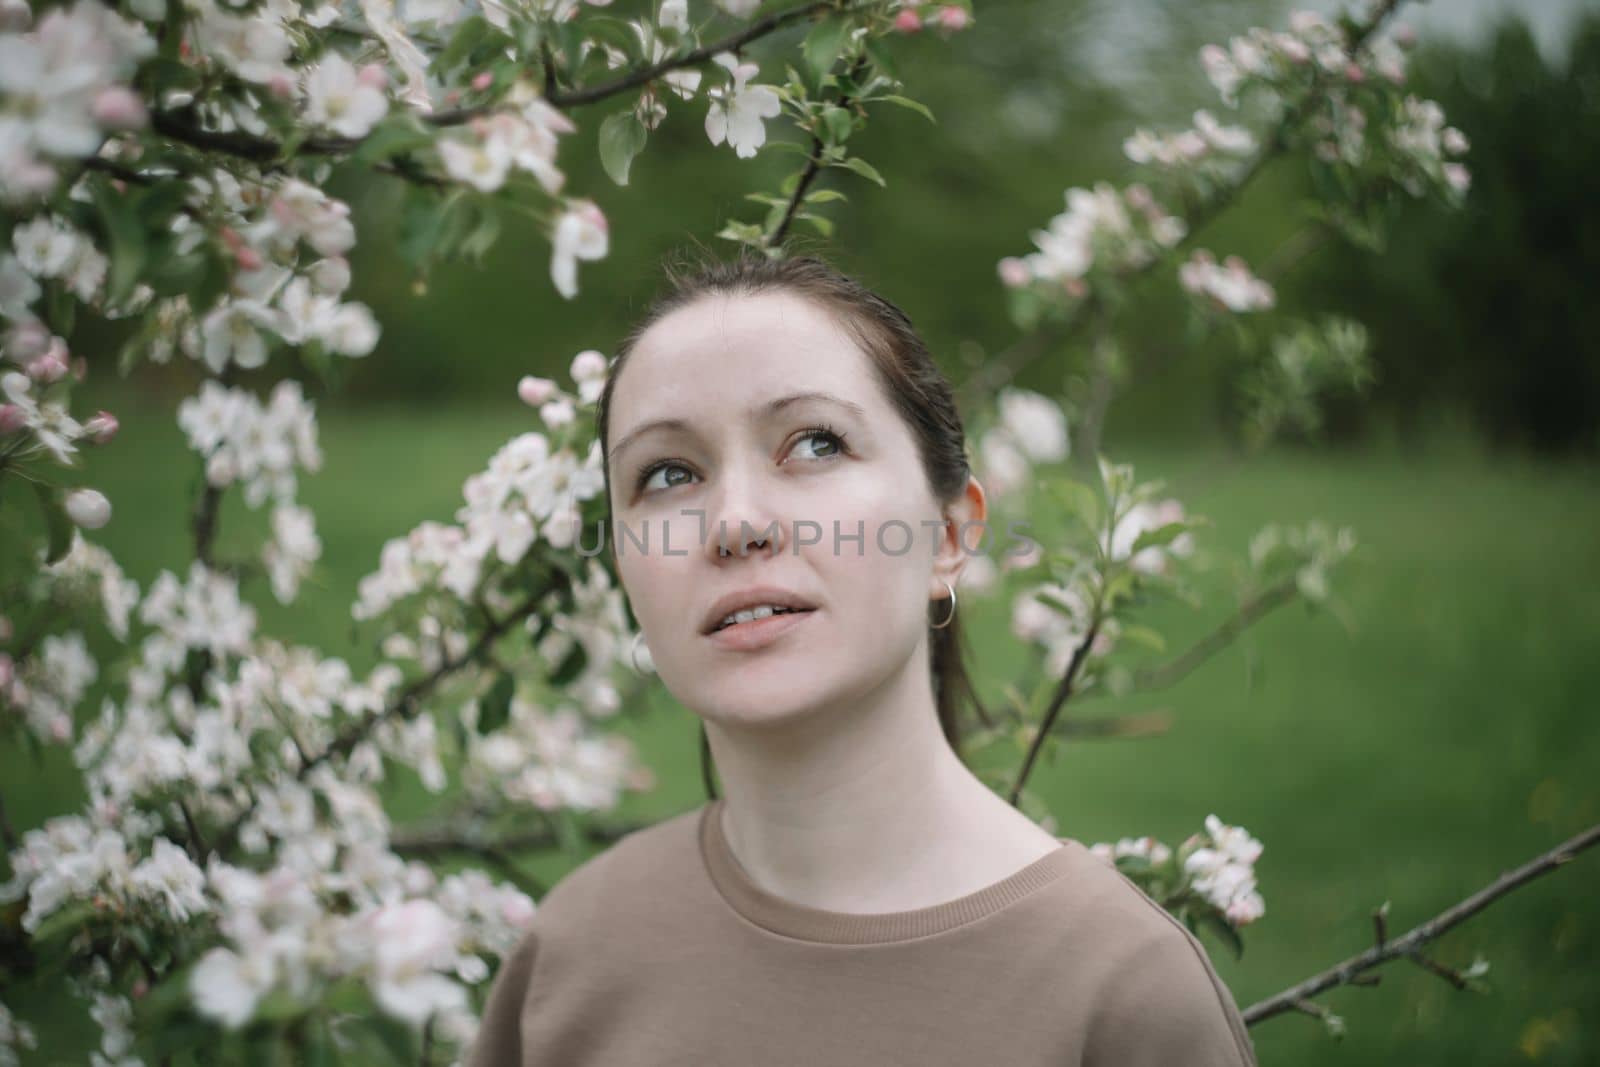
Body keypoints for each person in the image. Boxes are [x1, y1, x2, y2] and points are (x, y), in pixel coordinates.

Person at [464, 247, 1258, 1066]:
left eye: (814, 444)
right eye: (668, 473)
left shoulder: (1128, 996)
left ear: (949, 534)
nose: (734, 522)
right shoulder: (571, 957)